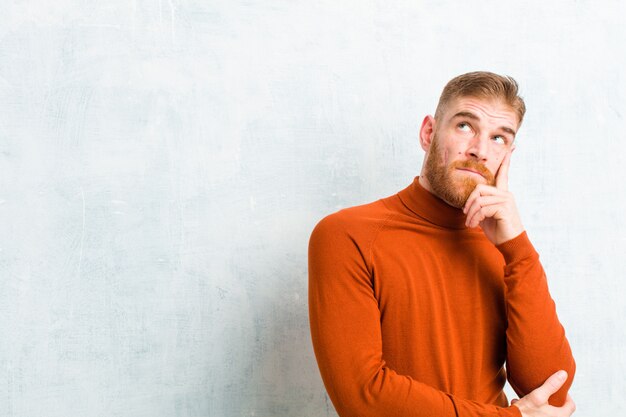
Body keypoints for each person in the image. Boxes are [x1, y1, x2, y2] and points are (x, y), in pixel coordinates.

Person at [308, 71, 576, 417]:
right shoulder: (347, 235)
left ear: (508, 154)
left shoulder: (505, 249)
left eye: (499, 138)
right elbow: (363, 399)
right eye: (465, 126)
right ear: (429, 133)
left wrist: (518, 249)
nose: (480, 150)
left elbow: (552, 394)